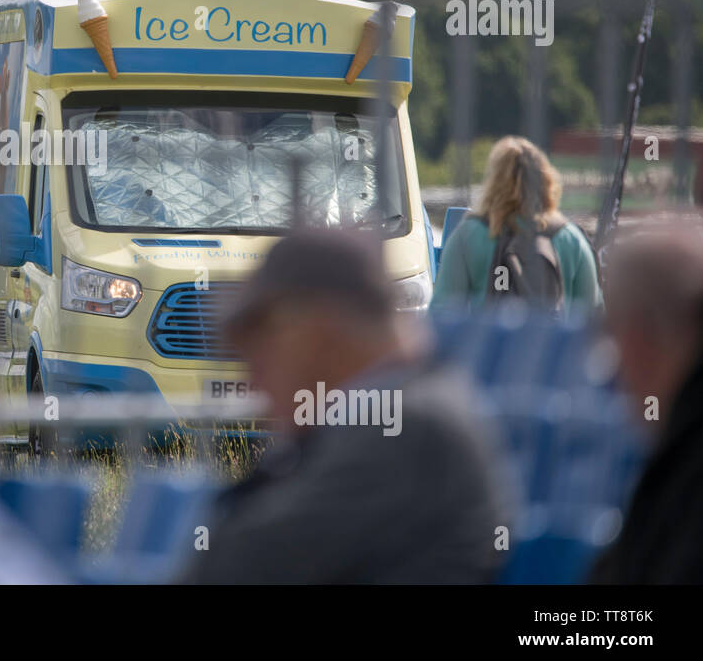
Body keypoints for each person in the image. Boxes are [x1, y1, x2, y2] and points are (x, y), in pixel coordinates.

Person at [182, 229, 509, 584]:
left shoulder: (400, 428)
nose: (252, 385)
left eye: (259, 360)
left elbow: (238, 566)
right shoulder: (415, 405)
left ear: (317, 337)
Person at [589, 219, 703, 583]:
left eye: (611, 335)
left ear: (636, 335)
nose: (613, 371)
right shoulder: (676, 446)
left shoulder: (683, 467)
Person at [432, 135, 600, 313]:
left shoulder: (469, 235)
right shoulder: (570, 239)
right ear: (547, 181)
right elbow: (595, 320)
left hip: (488, 340)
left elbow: (442, 316)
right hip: (552, 341)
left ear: (493, 182)